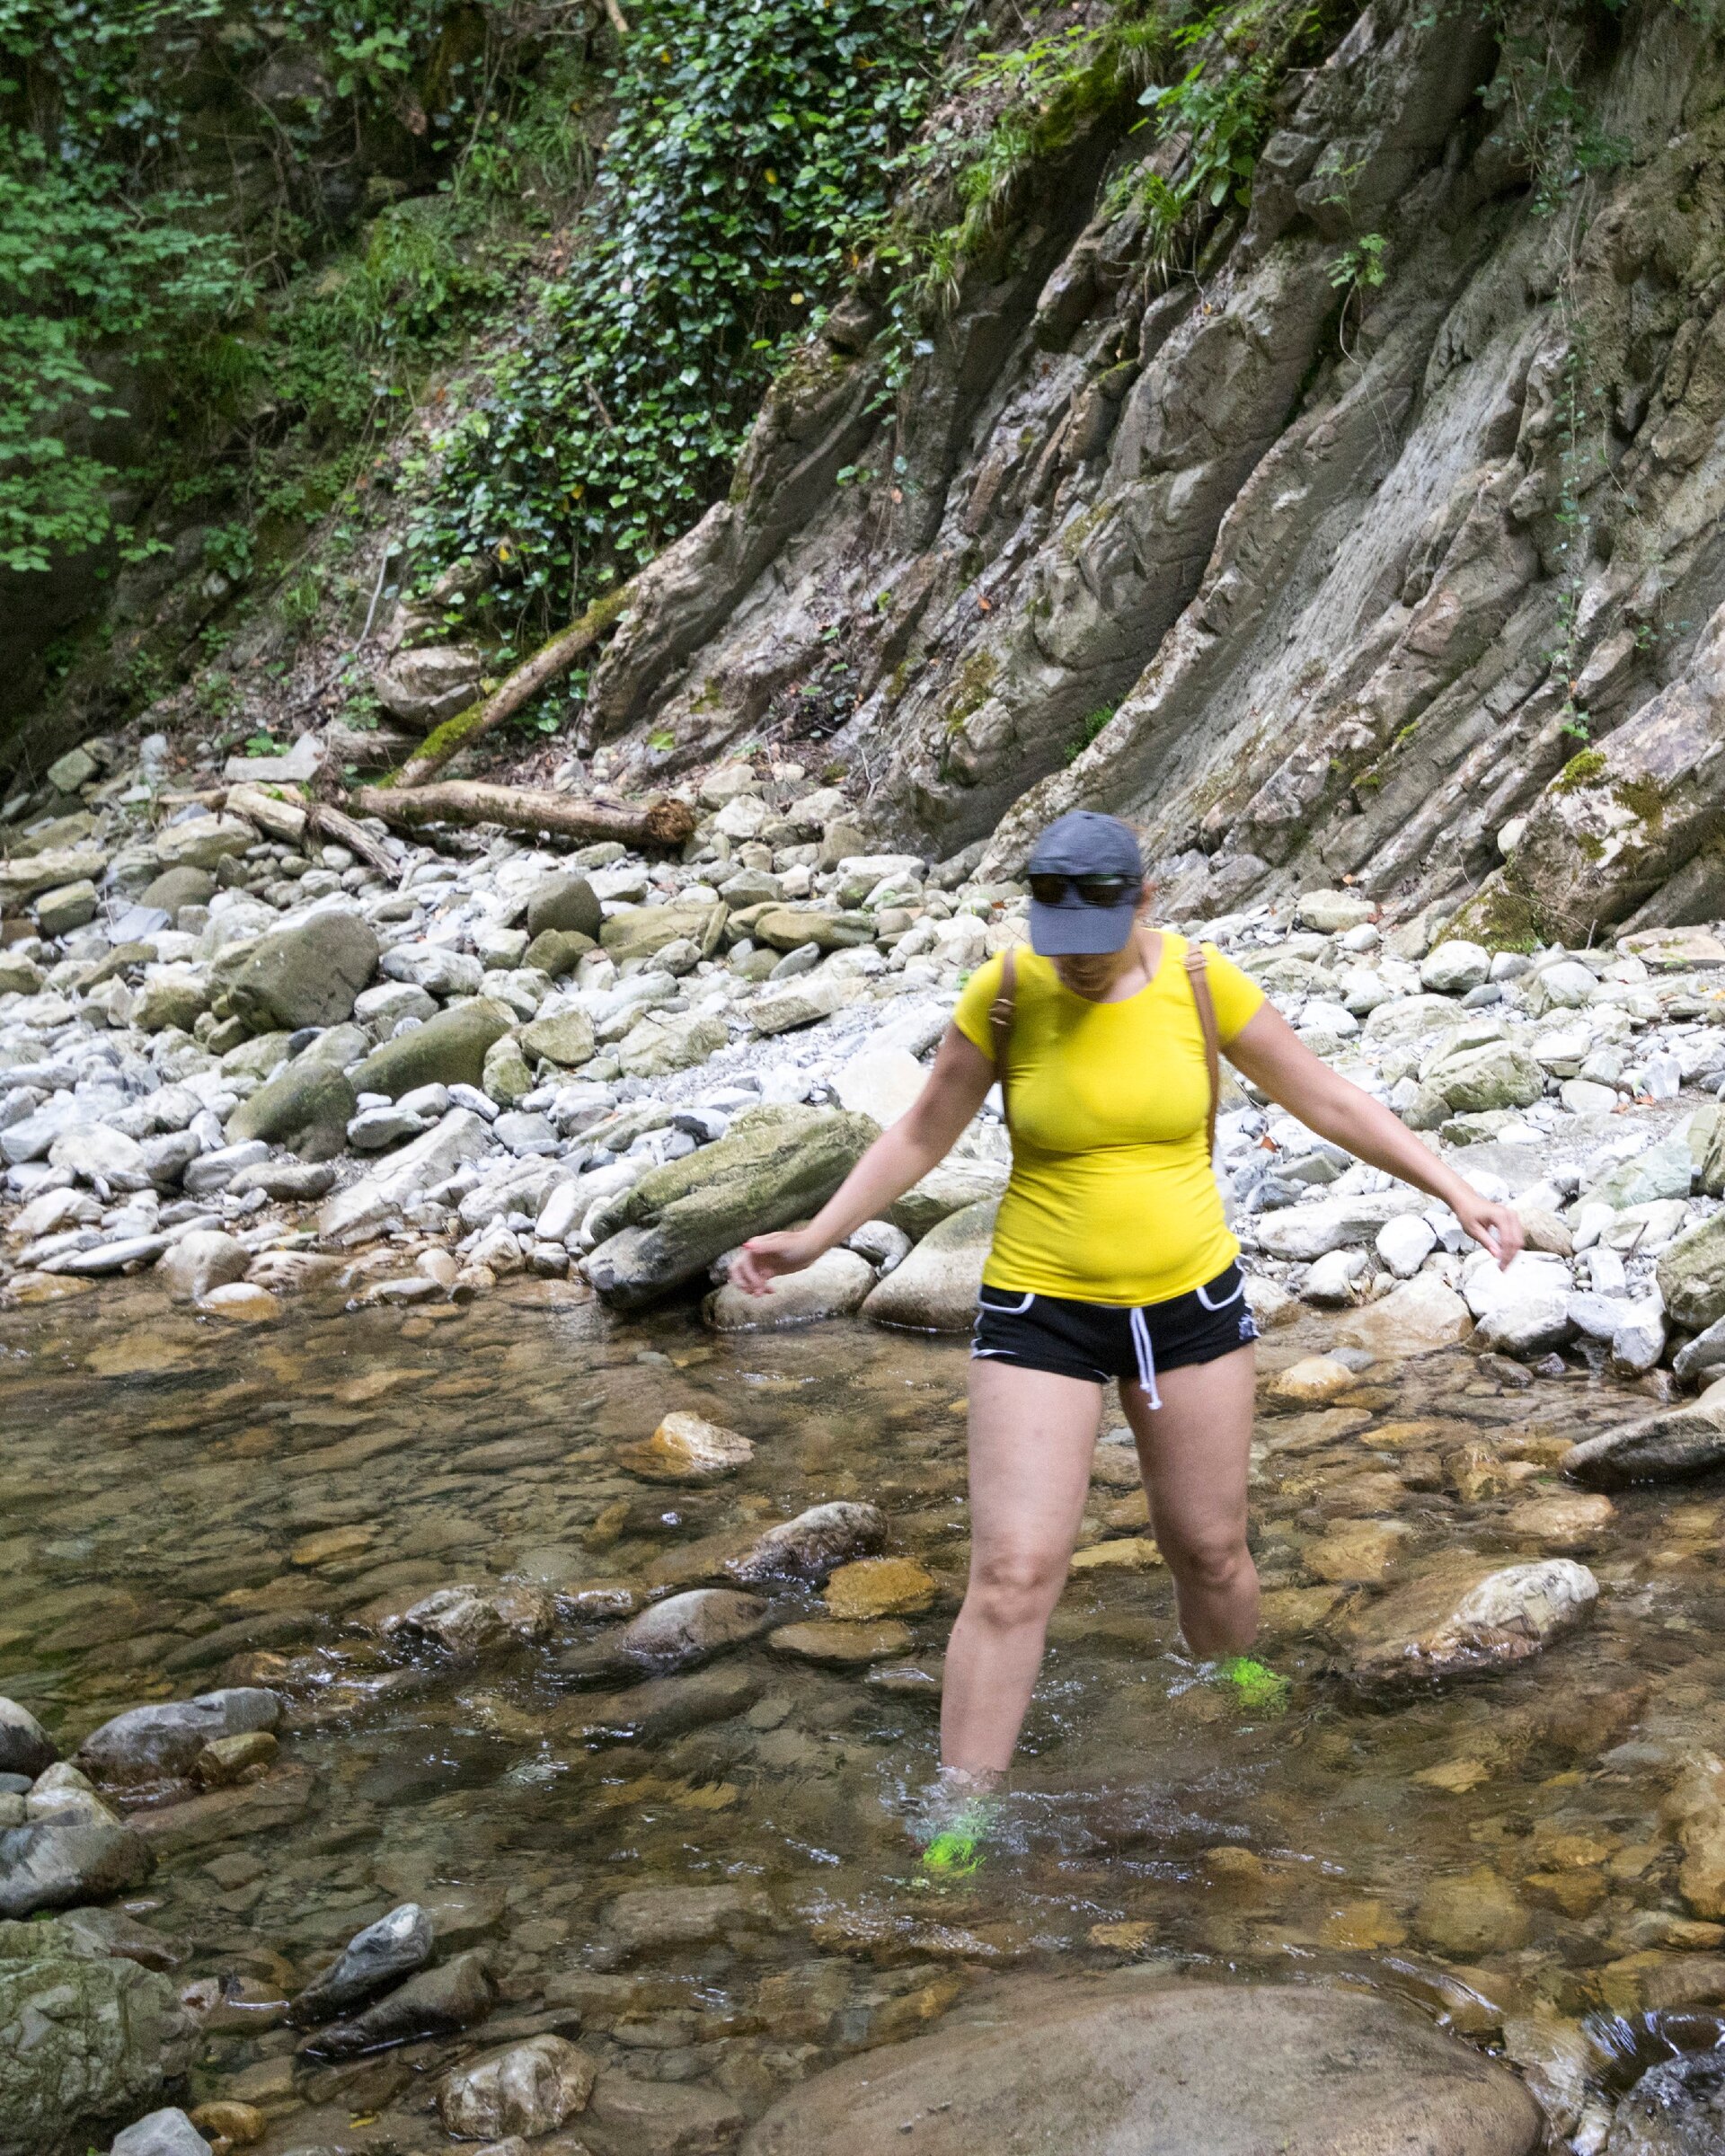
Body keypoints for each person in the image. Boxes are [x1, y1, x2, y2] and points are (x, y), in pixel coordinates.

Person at [730, 808, 1525, 1871]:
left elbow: (1328, 1099)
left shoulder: (1204, 984)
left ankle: (1233, 1693)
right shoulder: (1009, 992)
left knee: (1208, 1549)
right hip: (1038, 1310)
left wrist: (1456, 1189)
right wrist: (816, 1236)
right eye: (1061, 944)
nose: (1079, 969)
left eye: (1096, 946)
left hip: (1188, 1308)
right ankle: (960, 1818)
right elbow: (923, 1129)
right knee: (1014, 1571)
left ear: (1144, 903)